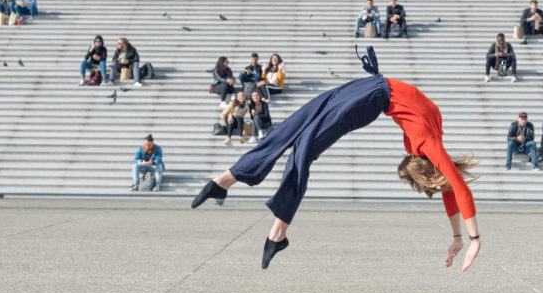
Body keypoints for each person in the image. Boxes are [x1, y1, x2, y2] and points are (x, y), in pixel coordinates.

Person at [191, 46, 481, 272]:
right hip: (369, 98)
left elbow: (448, 187)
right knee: (304, 145)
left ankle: (230, 181)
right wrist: (473, 240)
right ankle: (273, 227)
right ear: (423, 169)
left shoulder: (434, 140)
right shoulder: (427, 144)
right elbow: (457, 188)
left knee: (297, 129)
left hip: (367, 88)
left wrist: (457, 236)